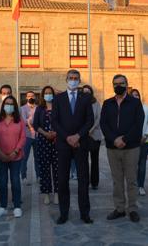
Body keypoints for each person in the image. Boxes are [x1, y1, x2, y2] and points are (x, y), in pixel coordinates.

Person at [52, 69, 94, 225]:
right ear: (66, 79)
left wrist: (78, 136)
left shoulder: (85, 98)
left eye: (76, 78)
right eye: (71, 78)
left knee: (83, 180)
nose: (73, 80)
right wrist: (67, 137)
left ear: (79, 80)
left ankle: (85, 213)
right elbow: (55, 121)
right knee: (63, 180)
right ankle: (64, 213)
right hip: (63, 144)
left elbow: (89, 120)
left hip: (81, 143)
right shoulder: (59, 99)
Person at [100, 75, 144, 222]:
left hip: (130, 147)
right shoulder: (107, 103)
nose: (119, 85)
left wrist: (124, 139)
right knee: (117, 180)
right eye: (116, 84)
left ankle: (132, 209)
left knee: (131, 180)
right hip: (113, 148)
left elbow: (138, 124)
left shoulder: (135, 103)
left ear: (127, 84)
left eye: (121, 83)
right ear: (113, 85)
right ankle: (119, 208)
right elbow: (103, 124)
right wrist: (114, 139)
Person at [0, 95, 26, 218]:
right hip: (0, 157)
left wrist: (14, 152)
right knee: (2, 181)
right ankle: (3, 206)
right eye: (7, 103)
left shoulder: (20, 120)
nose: (9, 106)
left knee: (15, 181)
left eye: (12, 104)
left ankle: (17, 206)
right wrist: (0, 153)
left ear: (15, 106)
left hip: (16, 157)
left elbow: (23, 137)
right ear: (3, 105)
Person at [33, 86, 59, 205]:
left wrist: (56, 133)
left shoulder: (58, 107)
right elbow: (35, 124)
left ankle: (57, 193)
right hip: (43, 141)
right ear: (43, 95)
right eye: (46, 93)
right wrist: (46, 134)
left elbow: (63, 122)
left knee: (57, 168)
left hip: (57, 141)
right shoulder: (40, 109)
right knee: (45, 169)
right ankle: (47, 193)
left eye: (50, 93)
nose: (48, 94)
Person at [130, 89, 148, 196]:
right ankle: (133, 185)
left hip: (144, 141)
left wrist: (145, 135)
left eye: (137, 95)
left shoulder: (146, 108)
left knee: (142, 164)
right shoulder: (128, 109)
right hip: (132, 141)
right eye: (133, 95)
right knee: (132, 164)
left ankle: (141, 185)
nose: (135, 97)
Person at [82, 85, 103, 190]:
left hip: (95, 135)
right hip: (83, 136)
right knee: (84, 160)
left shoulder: (96, 103)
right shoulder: (79, 104)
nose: (86, 93)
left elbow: (99, 118)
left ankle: (94, 182)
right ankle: (85, 182)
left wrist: (91, 129)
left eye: (88, 91)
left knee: (95, 160)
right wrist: (85, 131)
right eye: (84, 91)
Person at [21, 91, 39, 185]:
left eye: (32, 96)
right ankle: (24, 176)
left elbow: (39, 121)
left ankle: (38, 176)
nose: (30, 97)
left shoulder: (38, 108)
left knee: (38, 157)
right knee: (24, 157)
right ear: (26, 97)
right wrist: (31, 122)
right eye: (28, 96)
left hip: (37, 135)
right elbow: (24, 121)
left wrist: (30, 121)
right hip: (27, 136)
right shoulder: (22, 108)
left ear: (35, 97)